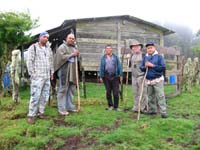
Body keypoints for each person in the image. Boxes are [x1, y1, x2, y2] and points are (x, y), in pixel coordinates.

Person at [27, 31, 54, 124]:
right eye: (44, 37)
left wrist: (52, 73)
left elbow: (51, 61)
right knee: (35, 95)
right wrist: (33, 74)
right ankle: (31, 115)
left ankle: (40, 112)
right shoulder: (33, 47)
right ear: (40, 37)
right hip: (37, 77)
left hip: (46, 76)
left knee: (45, 96)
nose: (46, 39)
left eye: (47, 37)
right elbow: (29, 62)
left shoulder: (48, 49)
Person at [54, 33, 79, 115]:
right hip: (64, 71)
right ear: (66, 38)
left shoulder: (74, 48)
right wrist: (72, 55)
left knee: (71, 89)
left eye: (73, 38)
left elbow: (78, 59)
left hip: (73, 71)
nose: (71, 40)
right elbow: (61, 57)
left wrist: (77, 55)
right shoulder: (62, 47)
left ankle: (70, 107)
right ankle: (61, 109)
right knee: (63, 89)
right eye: (70, 38)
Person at [140, 42, 167, 118]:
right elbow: (141, 68)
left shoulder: (159, 57)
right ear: (147, 50)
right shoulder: (145, 57)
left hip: (157, 79)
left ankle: (163, 112)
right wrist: (145, 67)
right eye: (148, 48)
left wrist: (152, 65)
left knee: (160, 96)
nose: (149, 49)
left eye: (151, 48)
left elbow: (163, 67)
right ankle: (152, 110)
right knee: (150, 96)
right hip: (148, 80)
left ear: (154, 48)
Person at [98, 44, 123, 111]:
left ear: (111, 49)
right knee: (108, 92)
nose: (108, 50)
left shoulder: (115, 57)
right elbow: (101, 67)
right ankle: (110, 105)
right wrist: (100, 76)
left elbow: (119, 66)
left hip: (115, 76)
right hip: (106, 76)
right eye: (107, 49)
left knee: (116, 92)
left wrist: (120, 75)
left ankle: (116, 106)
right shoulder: (103, 58)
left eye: (109, 48)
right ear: (105, 50)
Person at [127, 40, 148, 113]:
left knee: (142, 92)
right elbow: (129, 65)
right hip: (134, 77)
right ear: (132, 48)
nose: (135, 48)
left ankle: (142, 107)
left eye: (137, 46)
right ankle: (136, 107)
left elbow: (146, 65)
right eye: (133, 47)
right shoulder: (132, 55)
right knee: (135, 92)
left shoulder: (144, 55)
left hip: (141, 76)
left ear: (140, 47)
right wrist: (128, 59)